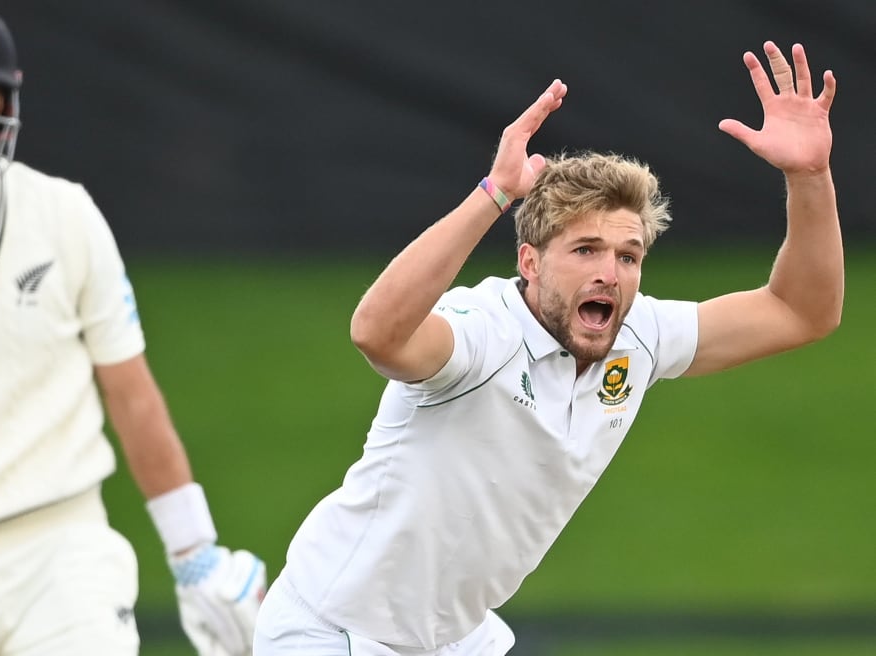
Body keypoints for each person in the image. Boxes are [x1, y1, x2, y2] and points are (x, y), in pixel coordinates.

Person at [253, 40, 840, 656]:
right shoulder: (482, 332)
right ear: (529, 262)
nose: (610, 273)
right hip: (336, 631)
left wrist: (810, 177)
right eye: (585, 250)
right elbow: (376, 333)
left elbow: (801, 311)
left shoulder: (637, 333)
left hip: (456, 634)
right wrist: (495, 192)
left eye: (628, 256)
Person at [0, 1, 266, 655]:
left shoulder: (65, 216)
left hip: (62, 552)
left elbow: (132, 392)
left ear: (6, 106)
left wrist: (193, 549)